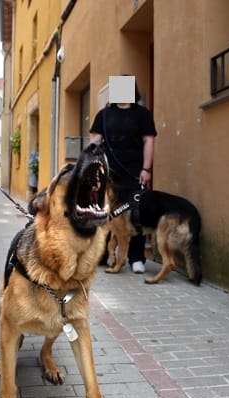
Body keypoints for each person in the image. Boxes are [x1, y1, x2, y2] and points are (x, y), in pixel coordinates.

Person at [89, 79, 157, 274]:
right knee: (105, 215)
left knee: (136, 214)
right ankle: (105, 254)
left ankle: (137, 258)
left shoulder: (142, 114)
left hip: (134, 172)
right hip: (108, 175)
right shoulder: (103, 115)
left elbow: (148, 141)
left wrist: (146, 169)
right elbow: (94, 142)